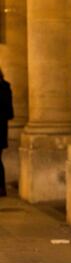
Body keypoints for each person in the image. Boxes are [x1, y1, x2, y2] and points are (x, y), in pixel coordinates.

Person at [0, 69, 14, 197]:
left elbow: (9, 112)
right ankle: (1, 188)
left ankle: (1, 188)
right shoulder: (5, 87)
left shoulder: (4, 87)